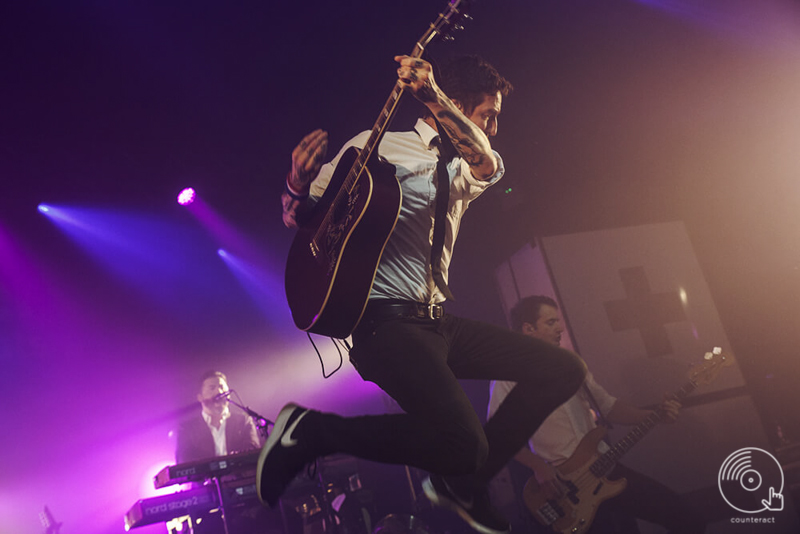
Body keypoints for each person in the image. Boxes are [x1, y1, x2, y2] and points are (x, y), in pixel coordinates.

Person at [259, 54, 586, 534]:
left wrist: (432, 94)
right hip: (383, 325)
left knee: (563, 369)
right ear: (457, 103)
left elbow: (487, 162)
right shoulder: (373, 148)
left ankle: (462, 484)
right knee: (464, 444)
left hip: (437, 321)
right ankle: (310, 432)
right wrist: (295, 185)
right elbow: (300, 216)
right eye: (488, 114)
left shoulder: (465, 162)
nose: (493, 127)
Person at [488, 296, 707, 534]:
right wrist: (539, 467)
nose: (560, 328)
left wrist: (654, 415)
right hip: (564, 486)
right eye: (551, 323)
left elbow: (608, 406)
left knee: (686, 518)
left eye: (558, 321)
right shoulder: (507, 375)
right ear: (528, 329)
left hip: (604, 467)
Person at [176, 370, 261, 464]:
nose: (219, 391)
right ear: (200, 397)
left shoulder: (243, 421)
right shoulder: (187, 428)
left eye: (221, 387)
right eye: (212, 388)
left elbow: (253, 454)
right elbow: (183, 460)